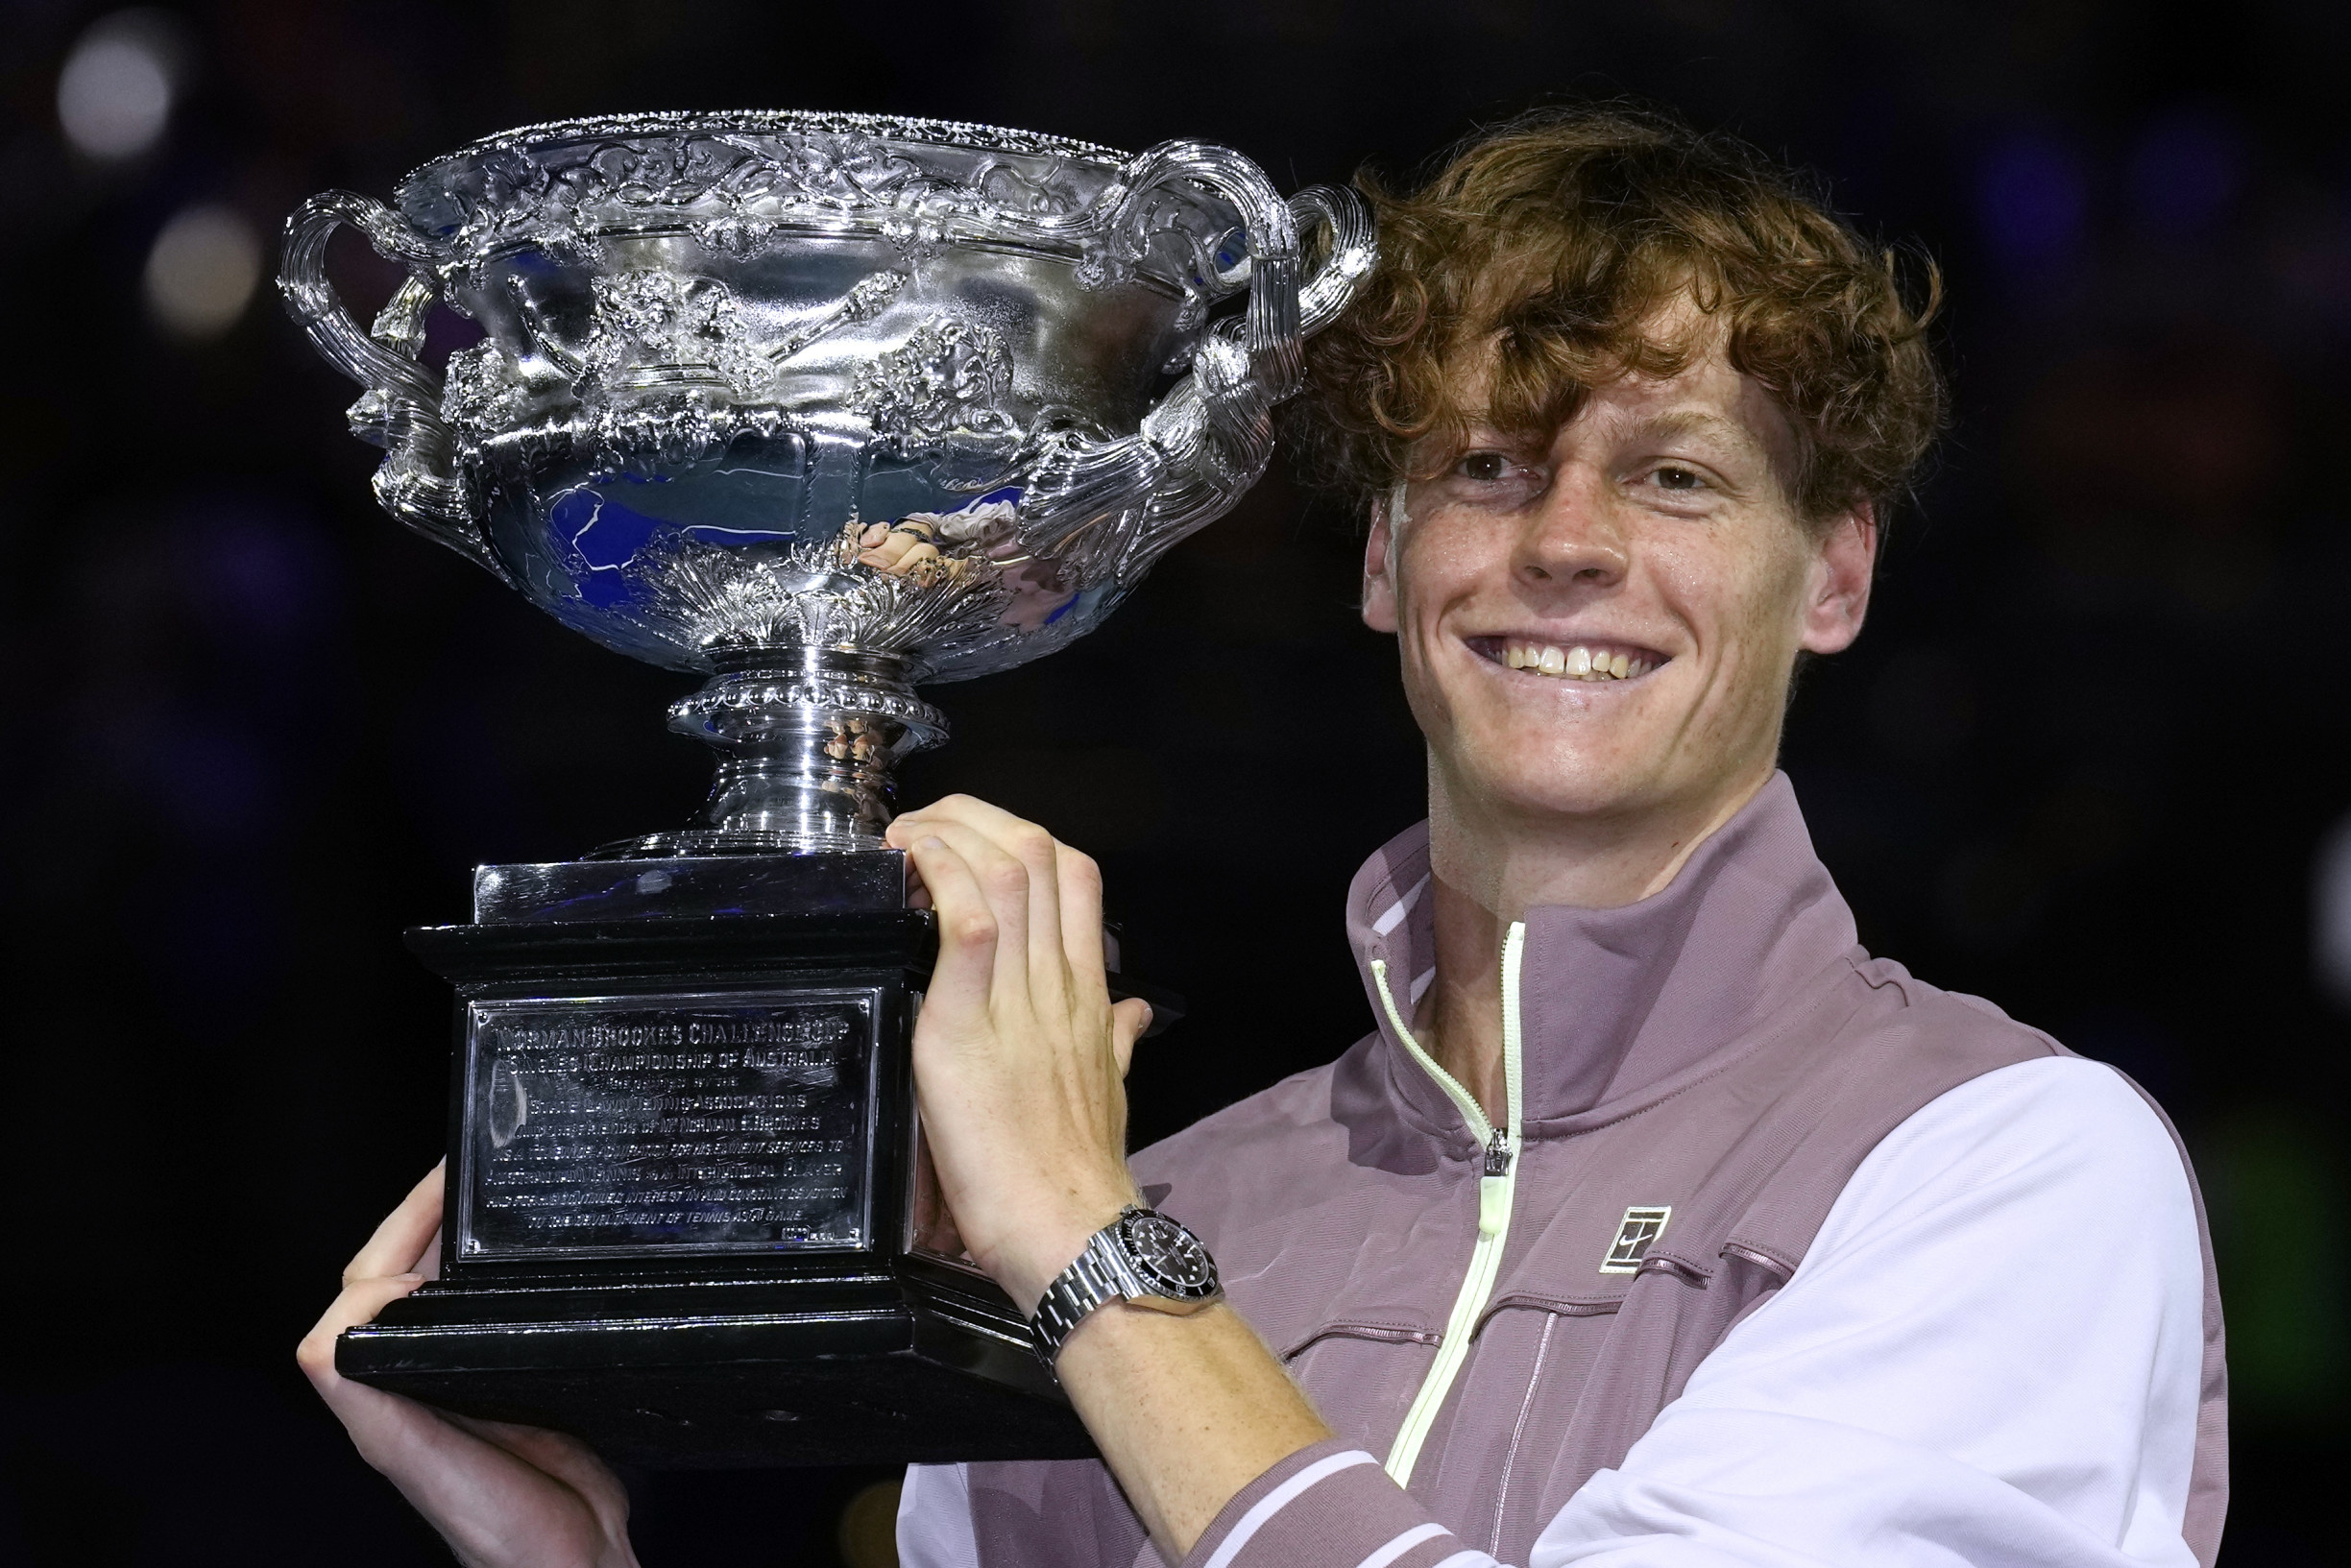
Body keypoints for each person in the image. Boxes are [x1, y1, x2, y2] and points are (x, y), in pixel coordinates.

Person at [302, 108, 2225, 1568]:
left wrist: (1086, 1236)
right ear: (1387, 561)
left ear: (1837, 575)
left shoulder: (2006, 1170)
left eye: (1677, 476)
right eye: (1485, 465)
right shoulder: (1169, 1228)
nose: (1566, 542)